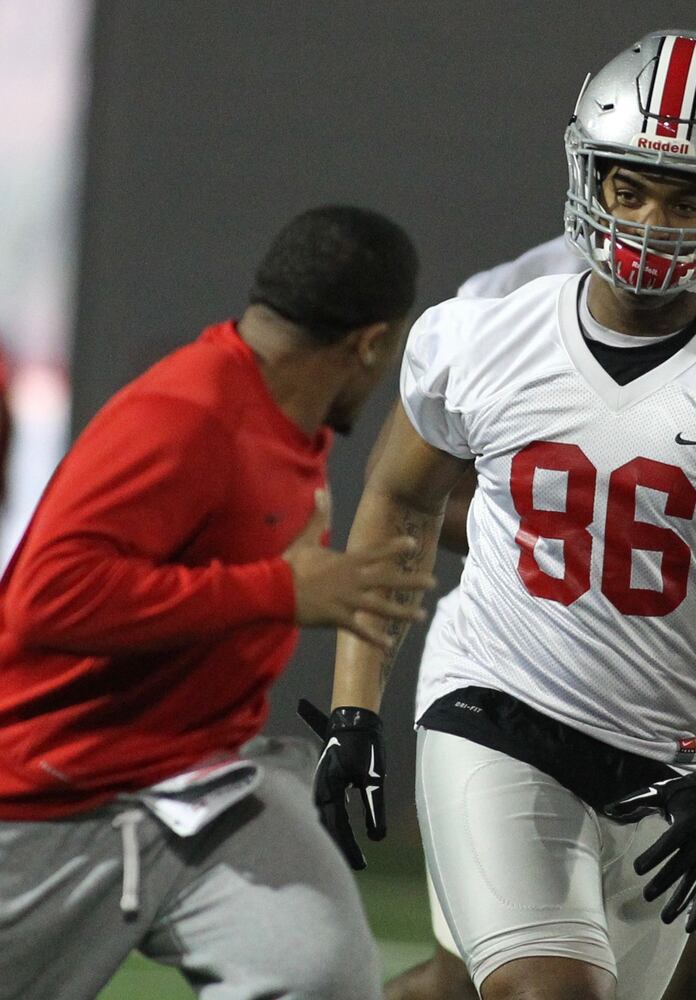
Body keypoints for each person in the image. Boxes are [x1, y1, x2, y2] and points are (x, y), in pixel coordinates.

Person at [313, 31, 696, 1000]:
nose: (653, 218)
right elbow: (401, 499)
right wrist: (356, 701)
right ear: (587, 175)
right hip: (498, 703)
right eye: (628, 185)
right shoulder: (487, 326)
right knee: (548, 990)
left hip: (676, 749)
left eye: (686, 194)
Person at [382, 221, 696, 1000]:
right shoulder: (506, 302)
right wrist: (572, 536)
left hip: (686, 718)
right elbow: (423, 492)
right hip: (516, 686)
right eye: (631, 187)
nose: (655, 231)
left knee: (681, 971)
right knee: (492, 980)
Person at [0, 205, 435, 1000]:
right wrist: (280, 590)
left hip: (198, 788)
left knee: (322, 980)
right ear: (371, 343)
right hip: (45, 803)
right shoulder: (185, 414)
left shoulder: (280, 413)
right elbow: (46, 599)